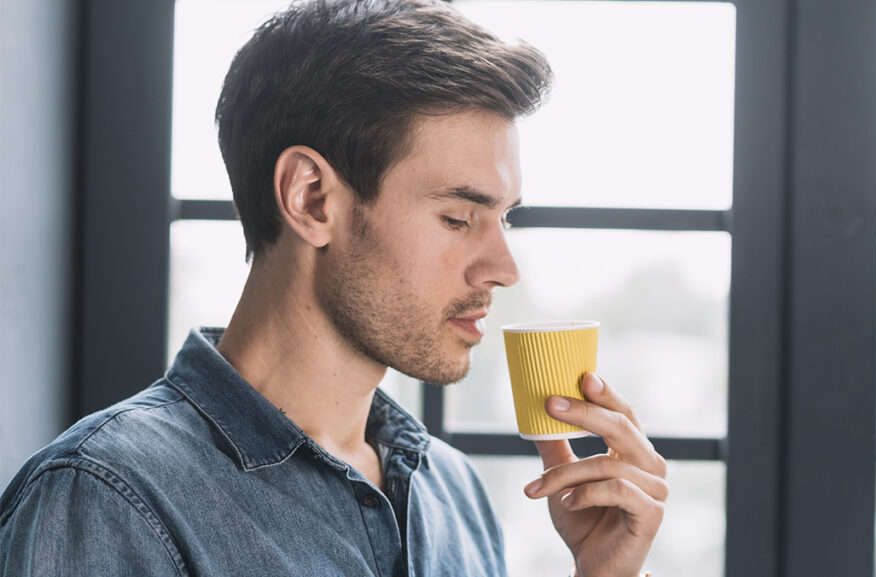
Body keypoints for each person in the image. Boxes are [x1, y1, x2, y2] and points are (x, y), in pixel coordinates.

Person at [0, 1, 667, 575]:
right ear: (311, 198)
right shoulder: (107, 498)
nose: (503, 266)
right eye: (459, 218)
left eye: (505, 217)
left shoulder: (453, 495)